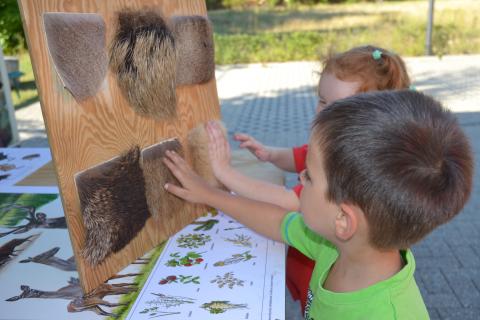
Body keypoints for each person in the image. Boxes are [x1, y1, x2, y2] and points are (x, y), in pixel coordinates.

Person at [164, 90, 473, 319]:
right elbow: (277, 222)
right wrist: (209, 195)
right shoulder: (341, 246)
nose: (299, 175)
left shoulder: (384, 312)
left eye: (309, 176)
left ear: (344, 220)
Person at [209, 45, 412, 310]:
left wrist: (226, 174)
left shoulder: (347, 171)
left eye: (335, 106)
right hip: (308, 261)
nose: (321, 112)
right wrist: (270, 154)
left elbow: (288, 202)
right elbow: (300, 156)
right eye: (322, 100)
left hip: (321, 279)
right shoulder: (338, 145)